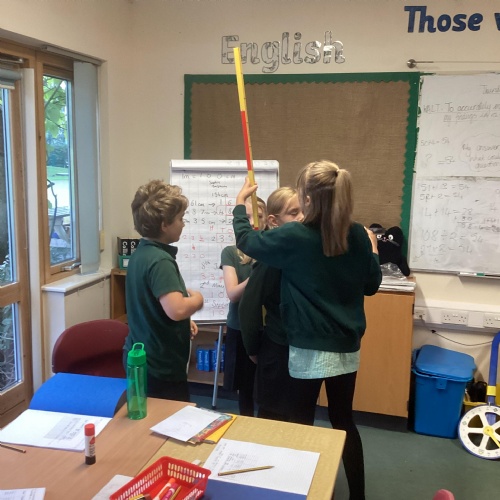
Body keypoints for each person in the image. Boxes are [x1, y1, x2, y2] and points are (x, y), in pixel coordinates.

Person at [232, 161, 381, 500]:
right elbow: (371, 285)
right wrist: (373, 251)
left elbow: (247, 240)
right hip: (346, 348)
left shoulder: (295, 236)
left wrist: (241, 204)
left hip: (308, 349)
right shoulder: (357, 235)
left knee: (301, 424)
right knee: (344, 420)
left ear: (310, 200)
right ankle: (356, 495)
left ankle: (300, 491)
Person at [123, 179, 204, 402]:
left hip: (143, 356)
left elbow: (155, 303)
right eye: (180, 219)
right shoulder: (160, 261)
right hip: (160, 365)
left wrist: (184, 321)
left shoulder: (141, 254)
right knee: (171, 417)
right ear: (164, 225)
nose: (183, 224)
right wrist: (197, 300)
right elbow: (177, 309)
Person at [238, 187, 303, 421]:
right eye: (294, 213)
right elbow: (249, 306)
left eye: (304, 211)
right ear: (274, 221)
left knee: (299, 416)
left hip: (302, 348)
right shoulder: (272, 258)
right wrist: (253, 349)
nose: (302, 218)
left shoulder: (304, 249)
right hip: (278, 349)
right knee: (273, 417)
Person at [221, 195, 267, 416]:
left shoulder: (272, 250)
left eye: (257, 216)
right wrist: (257, 274)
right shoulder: (231, 253)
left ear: (267, 220)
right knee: (245, 388)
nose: (252, 222)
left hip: (268, 330)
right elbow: (233, 294)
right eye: (246, 217)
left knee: (267, 388)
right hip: (240, 328)